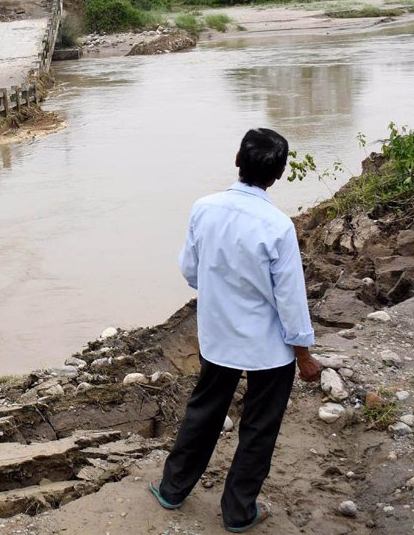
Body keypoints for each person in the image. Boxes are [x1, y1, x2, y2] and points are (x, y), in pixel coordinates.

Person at [150, 128, 322, 532]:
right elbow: (291, 299)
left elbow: (191, 271)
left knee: (203, 414)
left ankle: (173, 489)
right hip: (269, 349)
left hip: (218, 338)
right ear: (278, 174)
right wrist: (304, 354)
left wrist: (222, 288)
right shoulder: (278, 226)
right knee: (259, 428)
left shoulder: (204, 208)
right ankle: (238, 510)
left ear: (236, 160)